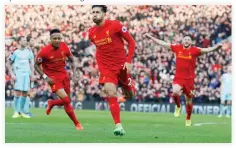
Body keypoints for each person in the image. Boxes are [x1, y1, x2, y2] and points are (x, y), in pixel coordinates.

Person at [144, 33, 222, 126]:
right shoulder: (177, 48)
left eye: (188, 39)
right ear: (182, 41)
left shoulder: (195, 50)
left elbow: (206, 50)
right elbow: (163, 43)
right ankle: (178, 106)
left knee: (189, 101)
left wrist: (216, 48)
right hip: (179, 78)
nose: (186, 41)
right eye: (185, 39)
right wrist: (151, 37)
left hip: (189, 80)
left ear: (191, 42)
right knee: (175, 92)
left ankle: (188, 118)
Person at [88, 5, 136, 136]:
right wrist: (98, 66)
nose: (94, 14)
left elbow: (132, 42)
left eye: (97, 12)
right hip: (106, 68)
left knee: (130, 95)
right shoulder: (91, 32)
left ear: (104, 14)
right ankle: (118, 125)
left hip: (121, 66)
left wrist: (129, 61)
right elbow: (99, 49)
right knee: (110, 91)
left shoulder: (115, 25)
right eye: (93, 12)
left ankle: (129, 88)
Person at [34, 29, 83, 130]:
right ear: (50, 39)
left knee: (67, 101)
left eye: (59, 38)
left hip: (64, 76)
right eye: (55, 38)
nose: (57, 40)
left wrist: (74, 73)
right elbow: (36, 65)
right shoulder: (44, 52)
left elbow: (72, 60)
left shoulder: (64, 46)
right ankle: (77, 123)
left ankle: (52, 103)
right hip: (53, 78)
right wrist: (45, 77)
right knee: (65, 100)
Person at [8, 36, 35, 119]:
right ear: (19, 42)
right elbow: (8, 63)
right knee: (17, 92)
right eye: (23, 40)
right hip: (18, 74)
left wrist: (32, 74)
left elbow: (31, 63)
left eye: (25, 40)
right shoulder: (15, 52)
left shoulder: (29, 52)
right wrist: (12, 74)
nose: (25, 41)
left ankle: (22, 111)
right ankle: (16, 112)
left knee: (25, 93)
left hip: (26, 74)